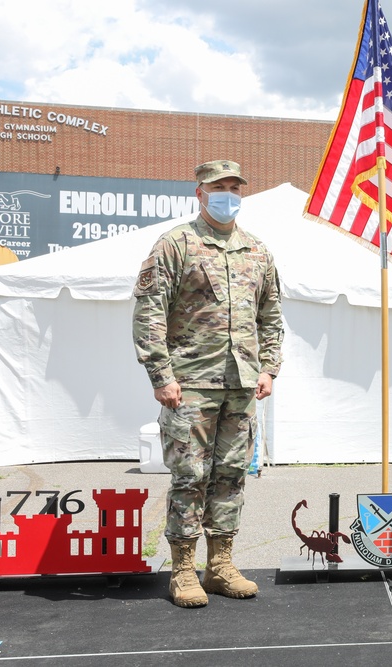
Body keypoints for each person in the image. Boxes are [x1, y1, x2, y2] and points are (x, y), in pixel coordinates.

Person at [133, 160, 284, 608]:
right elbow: (149, 311)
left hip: (241, 385)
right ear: (200, 192)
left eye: (236, 186)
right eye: (219, 186)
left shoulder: (257, 250)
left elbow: (271, 315)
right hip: (190, 384)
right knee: (190, 477)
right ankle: (182, 570)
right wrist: (161, 375)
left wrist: (269, 368)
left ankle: (220, 566)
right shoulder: (175, 244)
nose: (229, 194)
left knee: (231, 475)